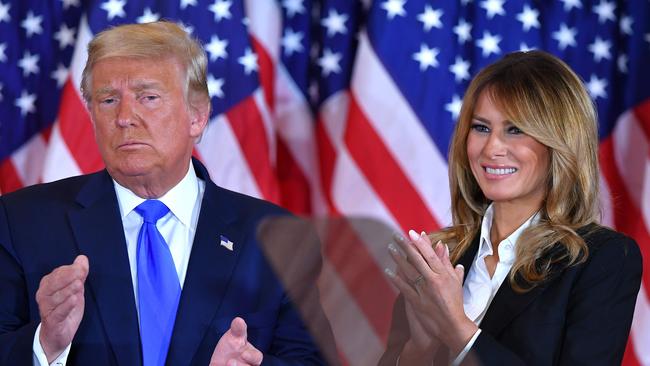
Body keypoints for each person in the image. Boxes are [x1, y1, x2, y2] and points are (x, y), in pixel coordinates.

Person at [0, 21, 332, 366]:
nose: (125, 117)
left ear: (197, 117)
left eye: (149, 97)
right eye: (108, 99)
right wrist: (44, 344)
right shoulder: (21, 221)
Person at [380, 50, 643, 365]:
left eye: (515, 129)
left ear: (560, 141)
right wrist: (419, 350)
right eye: (481, 127)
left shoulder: (603, 259)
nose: (492, 148)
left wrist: (459, 331)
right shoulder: (440, 258)